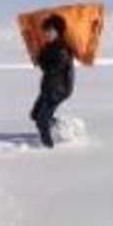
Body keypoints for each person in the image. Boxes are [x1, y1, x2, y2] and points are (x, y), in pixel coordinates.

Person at [30, 14, 75, 148]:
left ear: (57, 31)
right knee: (34, 115)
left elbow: (54, 69)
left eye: (50, 31)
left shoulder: (62, 49)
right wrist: (40, 57)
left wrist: (42, 61)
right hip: (48, 87)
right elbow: (46, 65)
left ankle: (48, 149)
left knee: (41, 121)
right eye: (46, 31)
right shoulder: (50, 47)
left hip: (58, 90)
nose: (47, 34)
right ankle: (60, 128)